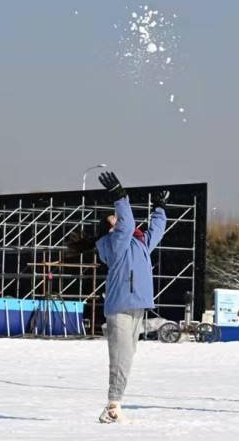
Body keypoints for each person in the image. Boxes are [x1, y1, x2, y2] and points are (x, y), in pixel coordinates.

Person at [69, 171, 167, 424]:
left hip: (138, 307)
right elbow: (128, 223)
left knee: (128, 357)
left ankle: (114, 405)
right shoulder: (114, 243)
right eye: (114, 219)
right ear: (111, 228)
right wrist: (119, 196)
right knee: (121, 358)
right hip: (121, 308)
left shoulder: (139, 243)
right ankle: (113, 406)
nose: (118, 220)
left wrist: (160, 207)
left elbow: (157, 229)